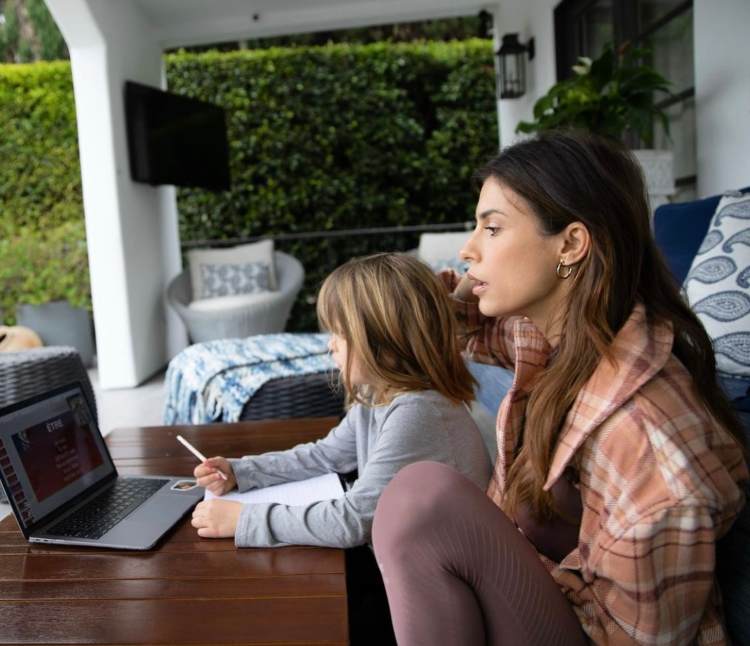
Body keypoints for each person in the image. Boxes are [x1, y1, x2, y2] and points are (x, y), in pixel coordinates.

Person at [372, 131, 749, 645]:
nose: (467, 249)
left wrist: (508, 564)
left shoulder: (647, 439)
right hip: (563, 595)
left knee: (423, 500)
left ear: (571, 244)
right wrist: (465, 283)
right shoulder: (555, 339)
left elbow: (635, 637)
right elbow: (465, 326)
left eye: (493, 228)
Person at [190, 252, 492, 548]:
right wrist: (241, 471)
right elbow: (326, 455)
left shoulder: (419, 411)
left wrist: (245, 519)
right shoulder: (380, 393)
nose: (330, 344)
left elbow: (353, 521)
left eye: (340, 332)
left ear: (385, 339)